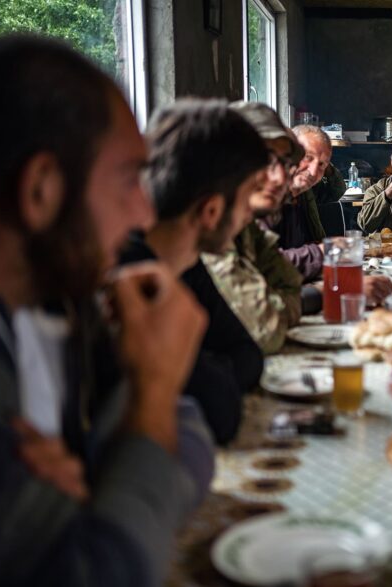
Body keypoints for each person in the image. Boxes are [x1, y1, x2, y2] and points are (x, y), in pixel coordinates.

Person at [0, 35, 213, 586]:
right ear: (42, 190)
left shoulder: (64, 301)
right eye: (129, 178)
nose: (145, 209)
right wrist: (150, 396)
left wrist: (105, 478)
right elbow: (104, 572)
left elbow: (193, 438)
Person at [120, 99, 267, 446]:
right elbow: (220, 414)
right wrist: (213, 374)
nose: (249, 213)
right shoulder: (132, 274)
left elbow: (248, 354)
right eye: (248, 196)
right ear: (212, 211)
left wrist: (202, 369)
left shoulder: (186, 261)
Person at [204, 103, 392, 353]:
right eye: (263, 160)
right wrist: (325, 290)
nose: (280, 177)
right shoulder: (206, 226)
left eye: (284, 163)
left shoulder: (245, 223)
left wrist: (309, 292)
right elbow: (267, 326)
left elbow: (284, 281)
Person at [258, 124, 330, 282]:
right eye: (307, 157)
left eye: (322, 164)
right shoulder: (261, 200)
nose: (313, 172)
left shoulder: (298, 199)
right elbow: (264, 266)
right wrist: (320, 252)